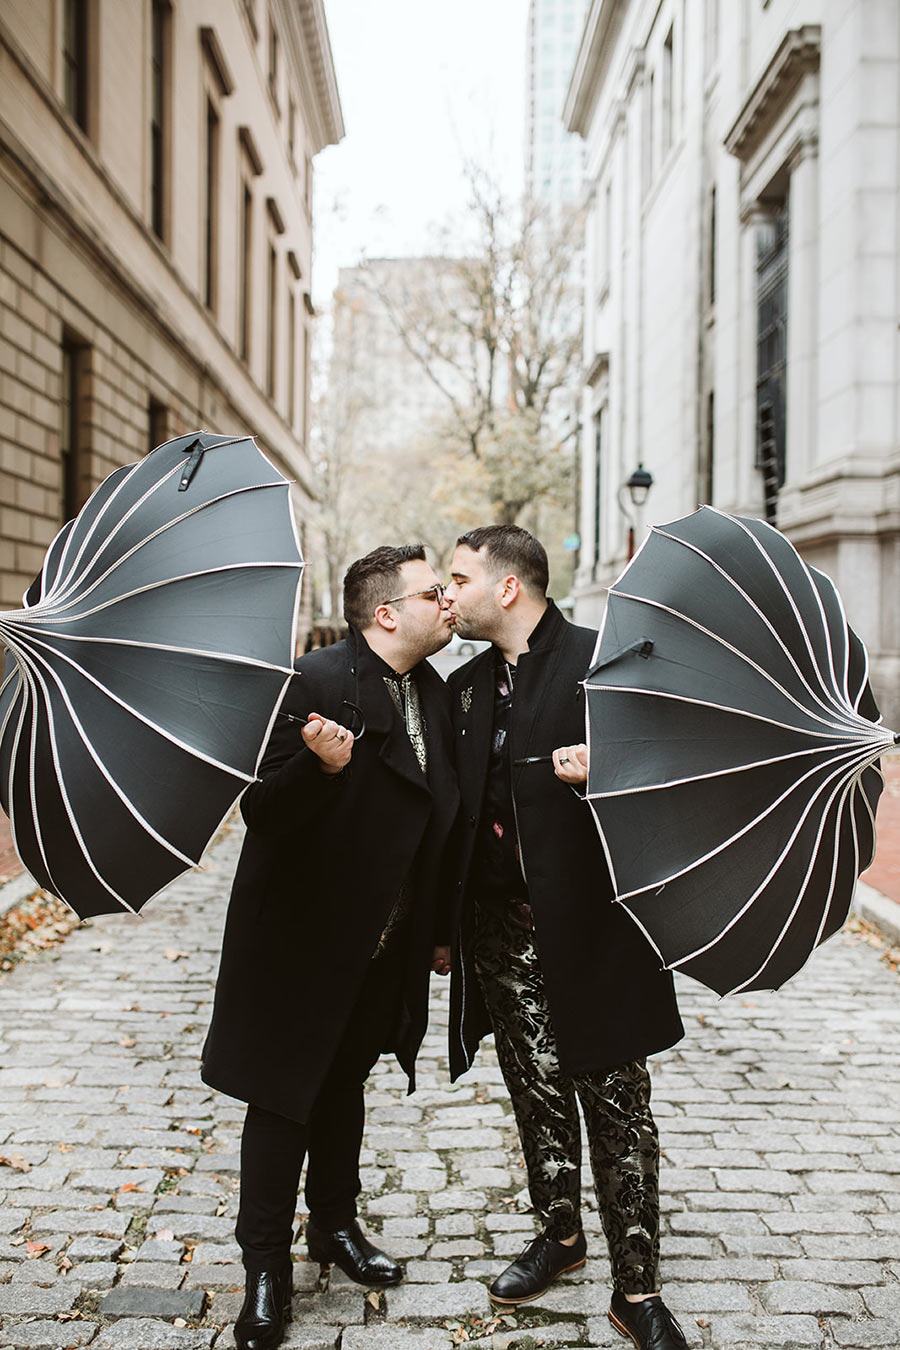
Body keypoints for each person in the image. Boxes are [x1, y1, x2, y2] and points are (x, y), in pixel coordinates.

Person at [202, 544, 459, 1350]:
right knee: (282, 1099)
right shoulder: (315, 681)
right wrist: (321, 768)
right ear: (386, 613)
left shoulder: (431, 689)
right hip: (301, 938)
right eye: (430, 592)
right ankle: (266, 1268)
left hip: (383, 942)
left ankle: (334, 1227)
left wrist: (438, 928)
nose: (446, 602)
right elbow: (261, 813)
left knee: (345, 1083)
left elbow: (433, 817)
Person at [442, 525, 687, 1350]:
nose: (450, 593)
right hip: (501, 936)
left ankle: (638, 1288)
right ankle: (560, 1234)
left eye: (460, 578)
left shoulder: (605, 663)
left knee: (620, 1110)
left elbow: (674, 775)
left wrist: (605, 773)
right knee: (536, 1094)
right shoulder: (467, 688)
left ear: (507, 587)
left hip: (599, 933)